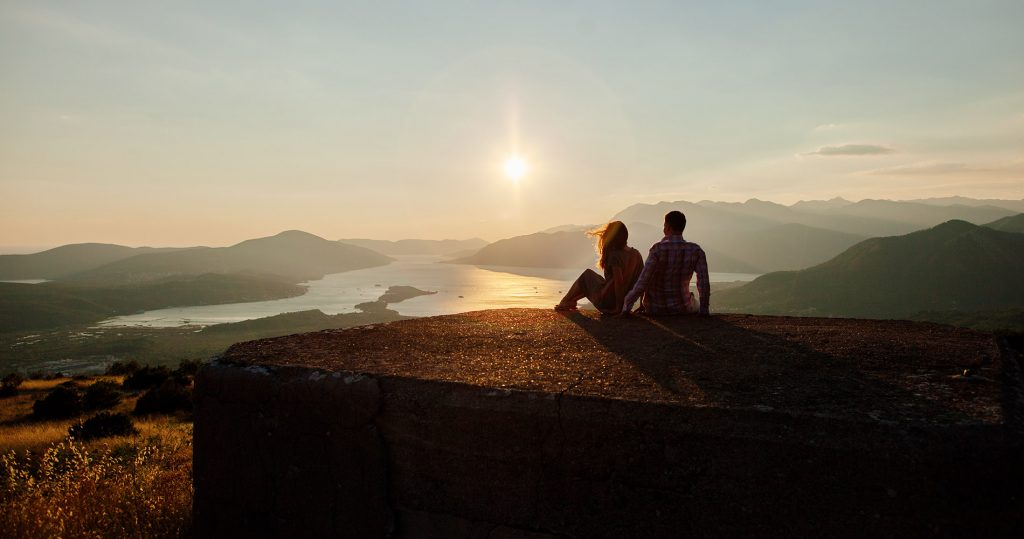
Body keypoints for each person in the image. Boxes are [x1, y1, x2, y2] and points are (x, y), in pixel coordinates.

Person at [621, 210, 710, 316]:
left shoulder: (657, 249)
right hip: (683, 307)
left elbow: (642, 282)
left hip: (655, 308)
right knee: (694, 301)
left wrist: (626, 307)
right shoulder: (696, 250)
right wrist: (704, 310)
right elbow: (703, 283)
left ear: (667, 227)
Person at [555, 221, 644, 314]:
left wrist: (618, 308)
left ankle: (565, 302)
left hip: (608, 303)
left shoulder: (615, 256)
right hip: (625, 303)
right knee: (597, 280)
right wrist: (642, 304)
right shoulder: (636, 254)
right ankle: (570, 301)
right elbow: (643, 281)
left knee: (587, 275)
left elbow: (619, 283)